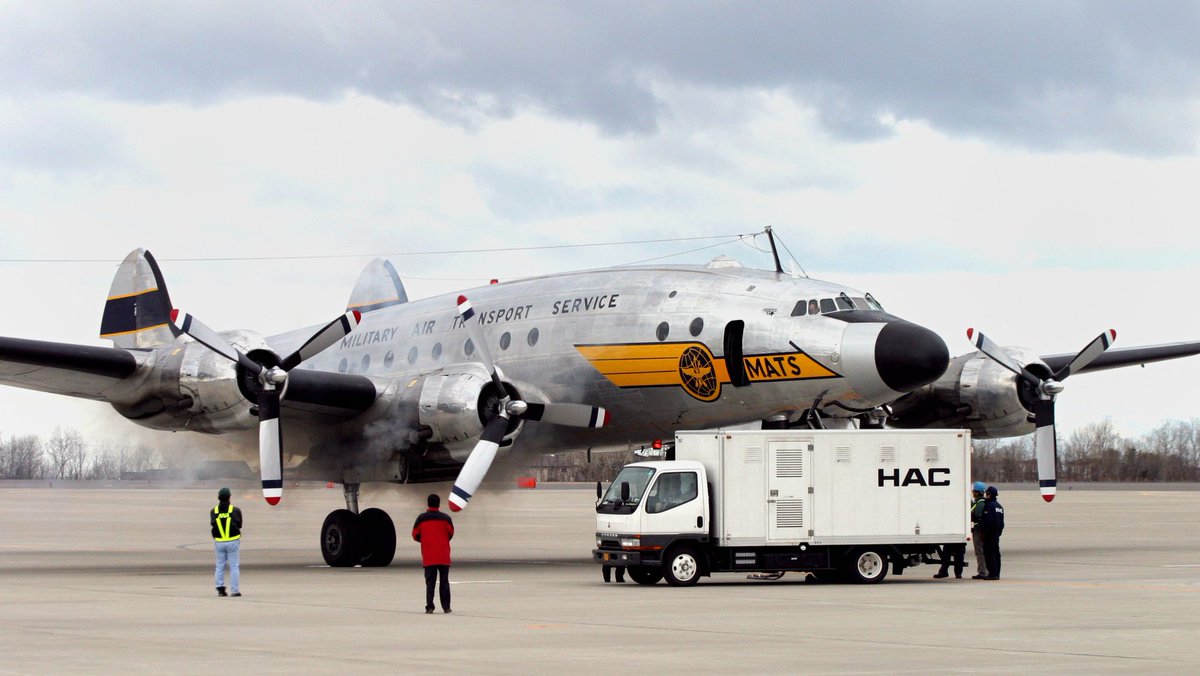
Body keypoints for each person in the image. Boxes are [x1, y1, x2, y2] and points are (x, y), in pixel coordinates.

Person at [412, 493, 454, 614]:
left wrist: (425, 540)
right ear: (439, 504)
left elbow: (415, 534)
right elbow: (450, 533)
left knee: (430, 583)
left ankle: (430, 607)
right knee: (444, 582)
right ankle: (446, 607)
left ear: (428, 503)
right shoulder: (446, 518)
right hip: (443, 555)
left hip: (429, 556)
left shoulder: (422, 518)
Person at [210, 486, 242, 597]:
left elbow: (213, 524)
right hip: (233, 541)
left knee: (220, 566)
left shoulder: (214, 511)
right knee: (234, 566)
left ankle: (220, 589)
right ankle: (235, 590)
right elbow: (239, 524)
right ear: (229, 497)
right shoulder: (235, 510)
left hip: (219, 542)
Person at [979, 485, 1005, 580]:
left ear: (989, 494)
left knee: (989, 554)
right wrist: (998, 533)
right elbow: (1002, 523)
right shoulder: (999, 507)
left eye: (987, 493)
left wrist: (984, 533)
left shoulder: (989, 506)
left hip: (989, 535)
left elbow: (988, 522)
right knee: (996, 554)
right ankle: (996, 573)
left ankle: (992, 573)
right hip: (996, 535)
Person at [969, 481, 989, 579]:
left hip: (979, 530)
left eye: (973, 491)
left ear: (977, 492)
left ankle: (982, 572)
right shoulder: (980, 502)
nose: (972, 492)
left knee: (980, 551)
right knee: (982, 551)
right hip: (981, 529)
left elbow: (977, 516)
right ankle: (985, 571)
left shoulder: (980, 503)